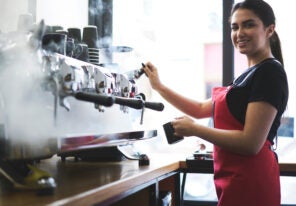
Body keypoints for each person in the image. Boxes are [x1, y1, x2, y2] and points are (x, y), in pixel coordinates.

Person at [142, 0, 289, 205]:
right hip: (234, 179)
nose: (240, 33)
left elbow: (251, 143)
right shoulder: (248, 75)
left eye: (249, 24)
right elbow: (201, 108)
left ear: (269, 29)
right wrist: (159, 87)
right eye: (235, 27)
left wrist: (195, 130)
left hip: (252, 180)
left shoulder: (270, 73)